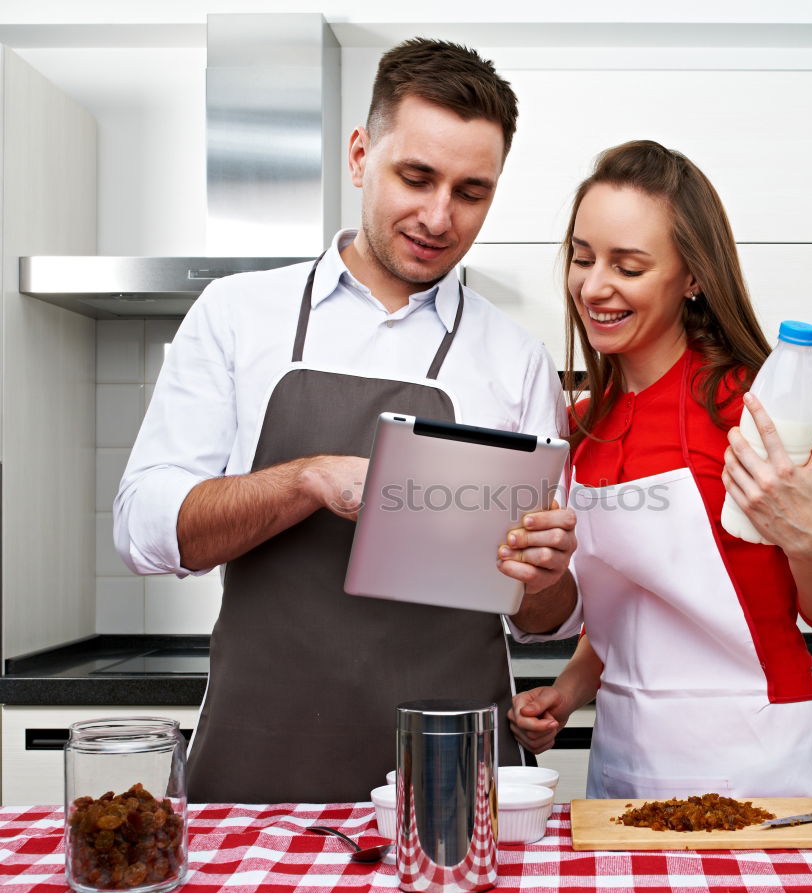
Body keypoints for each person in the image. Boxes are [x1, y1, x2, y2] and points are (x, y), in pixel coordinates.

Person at [114, 39, 577, 804]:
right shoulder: (236, 316)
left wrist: (550, 577)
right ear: (362, 155)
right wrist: (308, 480)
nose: (439, 216)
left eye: (471, 191)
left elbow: (544, 623)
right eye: (416, 177)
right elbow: (143, 532)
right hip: (261, 769)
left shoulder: (516, 356)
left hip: (451, 783)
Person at [506, 140, 812, 800]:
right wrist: (569, 688)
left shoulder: (750, 409)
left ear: (692, 277)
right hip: (624, 762)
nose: (593, 286)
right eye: (582, 258)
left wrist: (806, 535)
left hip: (758, 764)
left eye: (629, 266)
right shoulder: (583, 423)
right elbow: (636, 602)